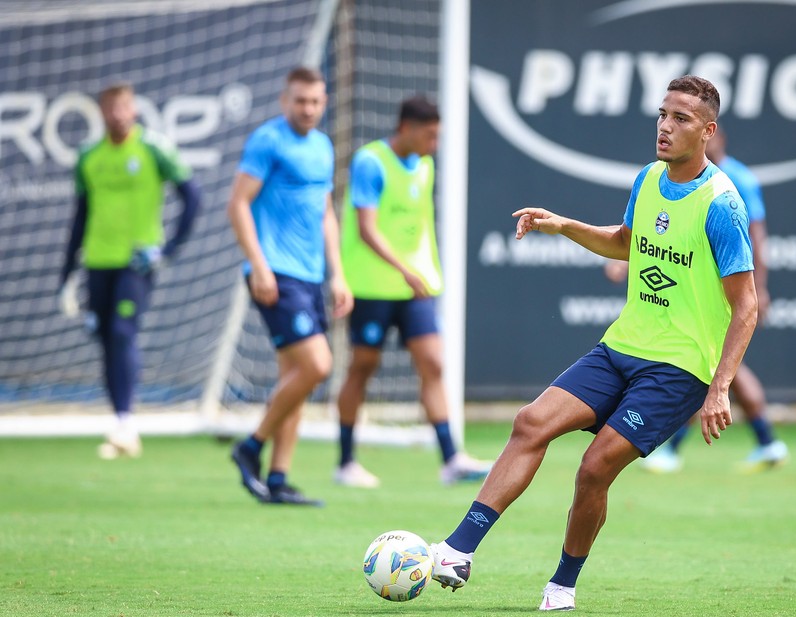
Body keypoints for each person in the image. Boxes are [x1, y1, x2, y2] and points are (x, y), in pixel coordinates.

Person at [428, 76, 758, 611]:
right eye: (662, 115)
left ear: (708, 130)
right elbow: (625, 242)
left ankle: (561, 586)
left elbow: (746, 306)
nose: (665, 127)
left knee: (594, 466)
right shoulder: (650, 178)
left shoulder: (722, 205)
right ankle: (456, 550)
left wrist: (719, 388)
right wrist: (563, 226)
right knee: (530, 423)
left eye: (681, 119)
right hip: (623, 346)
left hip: (678, 368)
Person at [334, 96, 491, 488]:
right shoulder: (370, 161)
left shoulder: (424, 165)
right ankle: (345, 462)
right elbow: (367, 228)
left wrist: (423, 272)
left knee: (433, 364)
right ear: (405, 127)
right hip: (372, 286)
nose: (434, 144)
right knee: (362, 368)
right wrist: (404, 269)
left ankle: (451, 459)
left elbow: (417, 227)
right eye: (429, 135)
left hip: (414, 288)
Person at [618, 125, 788, 473]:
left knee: (711, 370)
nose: (669, 129)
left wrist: (760, 288)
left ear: (709, 135)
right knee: (719, 371)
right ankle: (766, 441)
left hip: (720, 289)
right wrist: (624, 261)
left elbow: (756, 236)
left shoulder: (733, 182)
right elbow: (660, 236)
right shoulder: (673, 178)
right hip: (695, 286)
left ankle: (676, 449)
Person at [227, 67, 352, 506]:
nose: (309, 109)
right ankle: (250, 447)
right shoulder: (268, 140)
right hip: (275, 272)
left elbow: (325, 213)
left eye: (316, 101)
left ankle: (278, 479)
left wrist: (337, 272)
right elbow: (238, 203)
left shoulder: (322, 145)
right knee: (317, 366)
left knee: (295, 377)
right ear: (285, 101)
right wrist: (258, 265)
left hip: (310, 275)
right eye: (301, 101)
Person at [58, 82, 201, 460]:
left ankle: (125, 422)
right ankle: (122, 420)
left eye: (125, 108)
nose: (119, 115)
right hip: (97, 262)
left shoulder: (154, 148)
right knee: (106, 338)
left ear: (134, 110)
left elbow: (193, 196)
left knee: (123, 332)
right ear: (102, 113)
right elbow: (80, 216)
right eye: (111, 109)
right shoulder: (89, 156)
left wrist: (167, 250)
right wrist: (67, 272)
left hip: (138, 261)